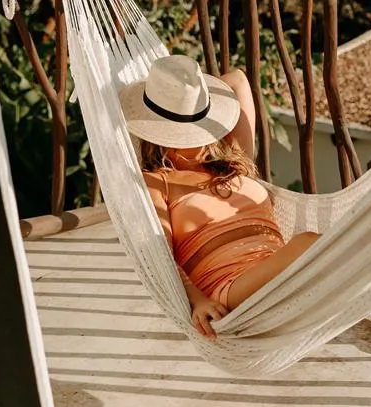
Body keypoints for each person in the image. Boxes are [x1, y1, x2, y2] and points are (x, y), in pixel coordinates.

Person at [119, 55, 317, 337]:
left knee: (333, 243)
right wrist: (198, 300)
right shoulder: (157, 181)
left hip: (280, 270)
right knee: (309, 243)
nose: (200, 137)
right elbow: (160, 254)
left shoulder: (234, 159)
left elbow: (238, 80)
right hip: (232, 286)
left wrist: (192, 99)